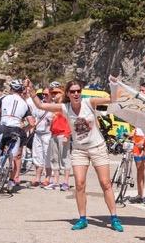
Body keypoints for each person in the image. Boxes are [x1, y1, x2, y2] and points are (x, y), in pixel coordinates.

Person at [28, 78, 123, 231]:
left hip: (97, 147)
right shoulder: (65, 108)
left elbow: (112, 99)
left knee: (106, 183)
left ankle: (114, 218)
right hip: (79, 150)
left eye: (78, 91)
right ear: (68, 94)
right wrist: (32, 93)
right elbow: (40, 105)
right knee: (79, 184)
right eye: (72, 91)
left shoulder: (89, 102)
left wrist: (113, 85)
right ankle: (82, 218)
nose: (76, 93)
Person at [47, 86, 72, 191]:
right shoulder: (55, 106)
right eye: (52, 93)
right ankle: (56, 182)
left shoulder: (66, 106)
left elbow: (70, 122)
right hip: (54, 135)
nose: (54, 95)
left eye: (56, 93)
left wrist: (67, 134)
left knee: (65, 158)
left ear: (62, 93)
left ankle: (65, 182)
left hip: (63, 134)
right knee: (54, 158)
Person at [27, 88, 53, 187]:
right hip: (37, 133)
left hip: (48, 134)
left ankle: (47, 177)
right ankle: (37, 178)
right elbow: (34, 117)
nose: (44, 96)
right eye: (43, 94)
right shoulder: (38, 105)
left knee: (47, 156)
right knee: (37, 155)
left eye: (46, 94)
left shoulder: (54, 106)